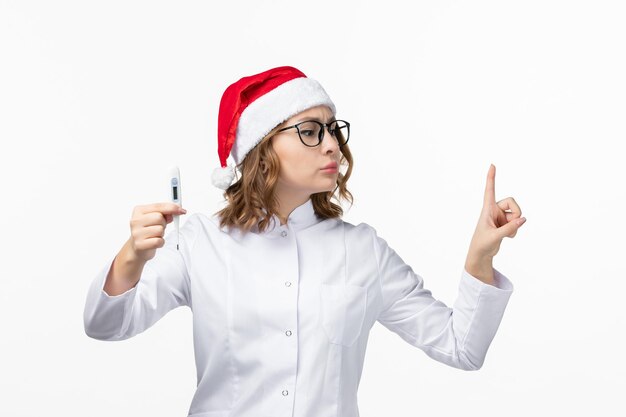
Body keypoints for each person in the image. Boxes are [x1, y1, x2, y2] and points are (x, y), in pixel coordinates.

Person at [83, 65, 526, 417]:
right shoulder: (201, 242)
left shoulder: (363, 252)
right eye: (311, 131)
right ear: (262, 146)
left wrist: (480, 256)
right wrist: (132, 258)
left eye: (333, 130)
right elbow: (105, 325)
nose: (332, 145)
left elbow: (461, 347)